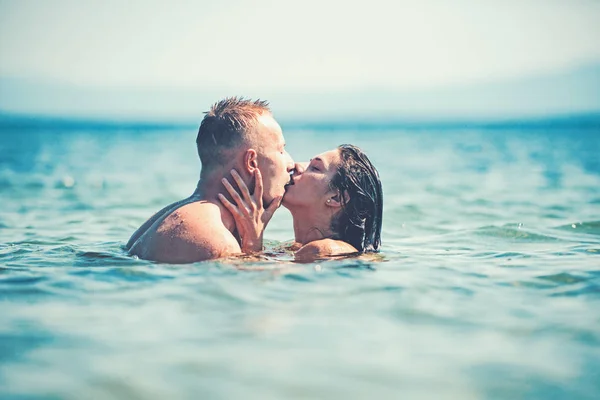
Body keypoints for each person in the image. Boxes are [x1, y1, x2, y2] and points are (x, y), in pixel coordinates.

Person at [126, 97, 295, 263]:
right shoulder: (218, 244)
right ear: (251, 162)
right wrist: (253, 249)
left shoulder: (160, 220)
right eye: (281, 150)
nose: (291, 163)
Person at [219, 144, 383, 262]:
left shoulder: (323, 251)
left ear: (336, 198)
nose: (296, 166)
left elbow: (259, 286)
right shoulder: (295, 248)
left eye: (315, 168)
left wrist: (253, 243)